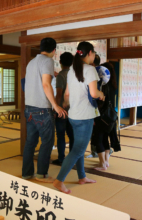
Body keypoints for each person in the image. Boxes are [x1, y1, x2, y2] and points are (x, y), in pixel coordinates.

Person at [53, 41, 105, 194]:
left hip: (73, 116)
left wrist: (67, 107)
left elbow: (67, 95)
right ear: (89, 53)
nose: (94, 56)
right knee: (77, 150)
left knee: (78, 148)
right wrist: (102, 94)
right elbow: (94, 94)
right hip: (84, 116)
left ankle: (82, 177)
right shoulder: (90, 70)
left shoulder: (71, 71)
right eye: (93, 53)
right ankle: (59, 181)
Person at [22, 37, 67, 183]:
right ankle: (41, 174)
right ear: (54, 50)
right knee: (47, 141)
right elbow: (46, 85)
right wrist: (55, 105)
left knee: (30, 142)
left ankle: (27, 173)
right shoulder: (48, 61)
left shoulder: (31, 62)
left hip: (29, 108)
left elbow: (35, 82)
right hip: (42, 109)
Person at [94, 62, 120, 170]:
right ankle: (106, 162)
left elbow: (100, 101)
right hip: (111, 116)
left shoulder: (102, 85)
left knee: (98, 139)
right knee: (106, 138)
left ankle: (102, 163)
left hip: (102, 115)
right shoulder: (113, 84)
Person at [52, 52, 74, 166]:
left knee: (60, 135)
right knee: (72, 136)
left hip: (62, 111)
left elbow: (59, 94)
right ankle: (72, 158)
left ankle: (61, 158)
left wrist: (56, 108)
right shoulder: (74, 75)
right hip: (73, 111)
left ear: (60, 62)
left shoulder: (61, 75)